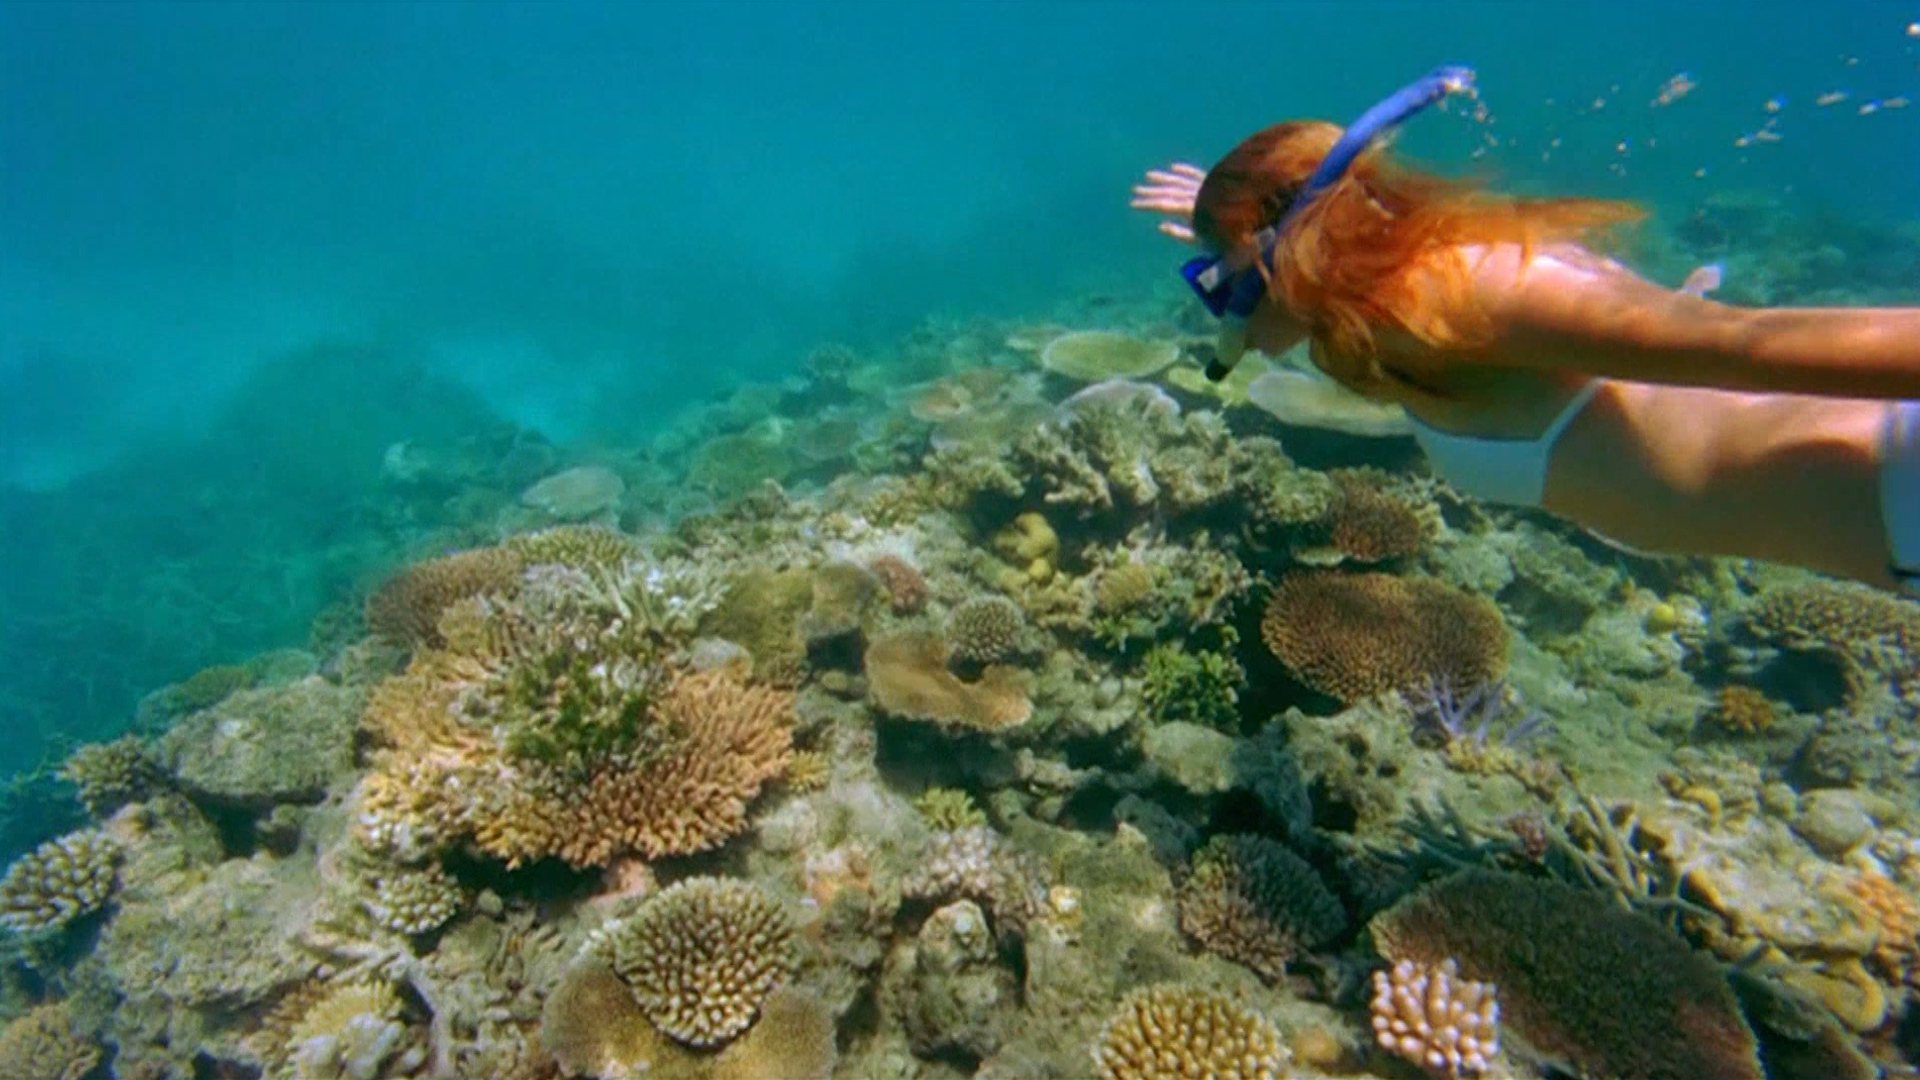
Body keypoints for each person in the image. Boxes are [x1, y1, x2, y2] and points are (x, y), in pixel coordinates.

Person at [1131, 67, 1920, 594]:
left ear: (1288, 250)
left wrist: (1250, 234)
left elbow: (1748, 346)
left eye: (1219, 277)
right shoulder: (1399, 302)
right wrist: (1230, 215)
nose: (1218, 303)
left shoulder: (1448, 292)